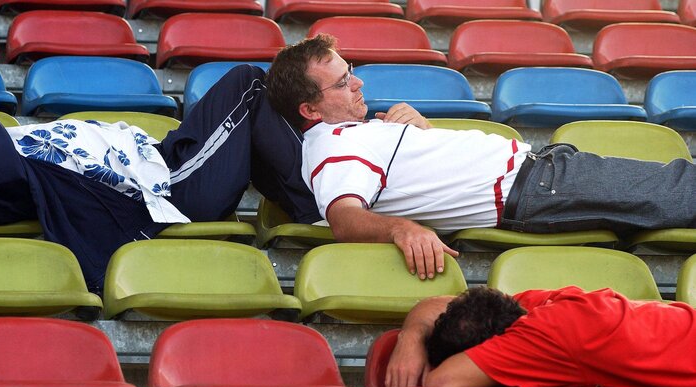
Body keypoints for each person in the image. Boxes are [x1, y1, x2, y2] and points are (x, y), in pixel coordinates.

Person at [0, 57, 427, 293]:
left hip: (161, 159)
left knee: (247, 98)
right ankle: (332, 204)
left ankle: (364, 167)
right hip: (170, 187)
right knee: (251, 84)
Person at [265, 34, 696, 280]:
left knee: (675, 188)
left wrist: (421, 134)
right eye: (341, 83)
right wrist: (402, 230)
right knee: (678, 187)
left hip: (541, 176)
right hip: (534, 187)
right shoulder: (333, 145)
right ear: (309, 110)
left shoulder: (355, 134)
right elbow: (344, 217)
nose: (357, 84)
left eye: (351, 70)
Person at [383, 286, 696, 387]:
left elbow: (442, 382)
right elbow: (435, 304)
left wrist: (418, 349)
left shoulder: (537, 339)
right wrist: (411, 337)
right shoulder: (531, 309)